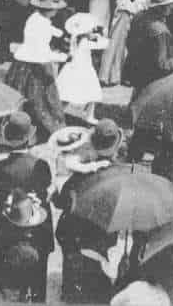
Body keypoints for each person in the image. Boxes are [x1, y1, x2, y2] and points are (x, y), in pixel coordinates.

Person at [53, 120, 121, 302]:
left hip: (74, 231)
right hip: (102, 231)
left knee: (73, 269)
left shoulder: (77, 173)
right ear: (116, 147)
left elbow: (59, 201)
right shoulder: (119, 175)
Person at [0, 112, 53, 302]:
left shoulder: (0, 167)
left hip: (8, 230)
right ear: (30, 137)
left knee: (8, 282)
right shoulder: (41, 165)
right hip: (37, 230)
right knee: (38, 278)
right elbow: (47, 185)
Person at [4, 0, 68, 138]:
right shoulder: (41, 24)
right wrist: (60, 57)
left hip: (24, 60)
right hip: (34, 63)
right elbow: (41, 51)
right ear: (49, 10)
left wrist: (57, 32)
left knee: (21, 94)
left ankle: (19, 123)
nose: (56, 11)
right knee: (39, 98)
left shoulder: (36, 18)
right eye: (54, 8)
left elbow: (44, 30)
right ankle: (41, 127)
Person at [55, 12, 106, 122]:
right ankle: (89, 116)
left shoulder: (74, 39)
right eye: (91, 30)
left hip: (72, 68)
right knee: (92, 93)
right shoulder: (85, 43)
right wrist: (100, 37)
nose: (92, 31)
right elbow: (104, 45)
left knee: (66, 94)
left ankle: (59, 114)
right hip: (84, 69)